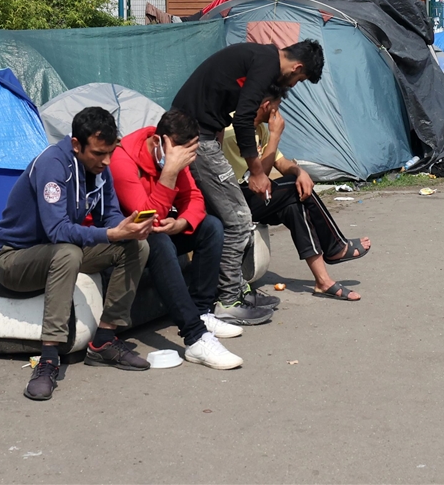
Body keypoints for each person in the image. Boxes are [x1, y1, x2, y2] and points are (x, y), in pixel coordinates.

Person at [0, 107, 153, 401]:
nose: (106, 161)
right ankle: (48, 360)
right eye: (98, 153)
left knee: (135, 246)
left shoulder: (99, 169)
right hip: (14, 259)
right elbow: (57, 231)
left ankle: (104, 341)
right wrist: (111, 234)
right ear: (76, 144)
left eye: (111, 152)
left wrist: (128, 228)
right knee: (67, 252)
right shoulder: (53, 165)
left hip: (58, 253)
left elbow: (110, 216)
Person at [172, 40, 324, 325]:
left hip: (202, 134)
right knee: (239, 218)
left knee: (228, 216)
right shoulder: (267, 64)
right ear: (297, 67)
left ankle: (237, 290)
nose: (293, 84)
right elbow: (243, 118)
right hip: (195, 138)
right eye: (299, 79)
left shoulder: (259, 57)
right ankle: (228, 301)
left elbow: (220, 98)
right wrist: (257, 172)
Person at [111, 109, 245, 369]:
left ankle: (202, 311)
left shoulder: (173, 154)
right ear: (158, 142)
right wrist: (170, 171)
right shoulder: (122, 160)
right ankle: (195, 337)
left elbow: (194, 197)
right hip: (128, 239)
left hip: (159, 229)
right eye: (183, 154)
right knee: (158, 242)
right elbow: (146, 218)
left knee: (211, 227)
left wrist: (182, 222)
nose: (185, 162)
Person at [223, 86, 371, 301]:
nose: (278, 111)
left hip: (254, 195)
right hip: (234, 198)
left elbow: (280, 162)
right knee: (293, 187)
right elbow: (260, 178)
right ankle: (335, 246)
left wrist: (300, 172)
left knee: (294, 205)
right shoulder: (233, 129)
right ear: (267, 106)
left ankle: (323, 281)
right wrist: (275, 136)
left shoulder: (259, 128)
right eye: (277, 106)